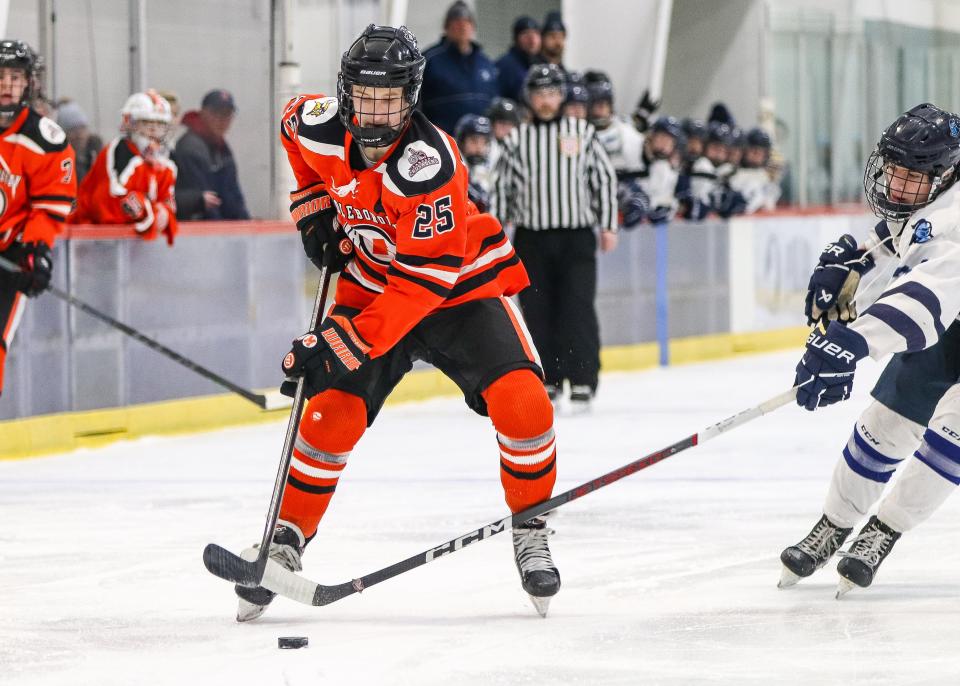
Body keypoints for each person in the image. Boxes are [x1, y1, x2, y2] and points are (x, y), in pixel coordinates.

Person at [234, 24, 561, 622]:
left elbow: (423, 283)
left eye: (389, 98)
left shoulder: (429, 163)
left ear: (410, 98)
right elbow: (291, 133)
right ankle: (286, 538)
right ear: (345, 92)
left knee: (525, 404)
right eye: (365, 95)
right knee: (329, 414)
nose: (376, 110)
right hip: (371, 282)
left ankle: (530, 523)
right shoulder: (316, 122)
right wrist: (313, 214)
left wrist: (343, 344)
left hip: (455, 286)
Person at [779, 103, 960, 597]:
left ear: (944, 175)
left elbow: (930, 291)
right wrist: (854, 267)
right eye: (893, 171)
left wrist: (856, 339)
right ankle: (834, 525)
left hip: (944, 309)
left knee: (950, 440)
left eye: (909, 176)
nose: (895, 186)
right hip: (951, 322)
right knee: (886, 424)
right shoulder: (935, 198)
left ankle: (885, 530)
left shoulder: (956, 217)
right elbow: (899, 244)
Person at [491, 63, 618, 411]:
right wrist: (498, 233)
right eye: (539, 94)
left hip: (576, 235)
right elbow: (503, 186)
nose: (545, 101)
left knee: (577, 308)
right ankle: (547, 378)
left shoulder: (583, 132)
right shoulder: (517, 139)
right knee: (537, 310)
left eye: (551, 93)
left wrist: (607, 225)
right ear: (529, 99)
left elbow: (603, 178)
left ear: (562, 95)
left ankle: (582, 379)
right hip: (532, 237)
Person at [0, 40, 76, 397]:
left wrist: (35, 249)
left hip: (8, 259)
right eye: (0, 76)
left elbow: (50, 207)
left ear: (29, 83)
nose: (7, 85)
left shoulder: (45, 139)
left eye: (15, 77)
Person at [72, 91, 178, 245]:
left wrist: (165, 214)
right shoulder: (119, 152)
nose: (154, 131)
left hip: (127, 247)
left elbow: (167, 201)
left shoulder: (165, 166)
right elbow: (110, 205)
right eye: (147, 124)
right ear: (131, 124)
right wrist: (151, 211)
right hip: (88, 242)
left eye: (160, 125)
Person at [420, 1, 498, 134]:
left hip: (479, 143)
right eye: (457, 22)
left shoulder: (486, 62)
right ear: (446, 27)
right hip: (441, 140)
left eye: (467, 22)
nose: (462, 27)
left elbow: (495, 101)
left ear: (473, 27)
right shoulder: (429, 59)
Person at [175, 89, 250, 220]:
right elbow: (206, 203)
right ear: (203, 113)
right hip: (196, 230)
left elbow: (233, 196)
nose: (222, 120)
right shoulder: (191, 147)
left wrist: (247, 227)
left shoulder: (221, 147)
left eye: (227, 114)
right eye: (216, 113)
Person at [727, 127, 781, 214]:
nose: (756, 154)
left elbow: (770, 207)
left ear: (767, 154)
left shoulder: (768, 178)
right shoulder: (731, 173)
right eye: (753, 150)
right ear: (744, 150)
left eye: (761, 151)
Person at [454, 113, 494, 211]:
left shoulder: (483, 166)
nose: (479, 148)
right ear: (462, 140)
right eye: (474, 141)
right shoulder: (451, 162)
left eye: (484, 142)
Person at [495, 16, 541, 103]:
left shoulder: (540, 65)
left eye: (536, 34)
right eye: (526, 34)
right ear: (516, 38)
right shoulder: (505, 66)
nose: (532, 40)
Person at [56, 100, 102, 182]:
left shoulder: (98, 153)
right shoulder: (61, 162)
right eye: (73, 130)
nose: (79, 135)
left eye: (82, 128)